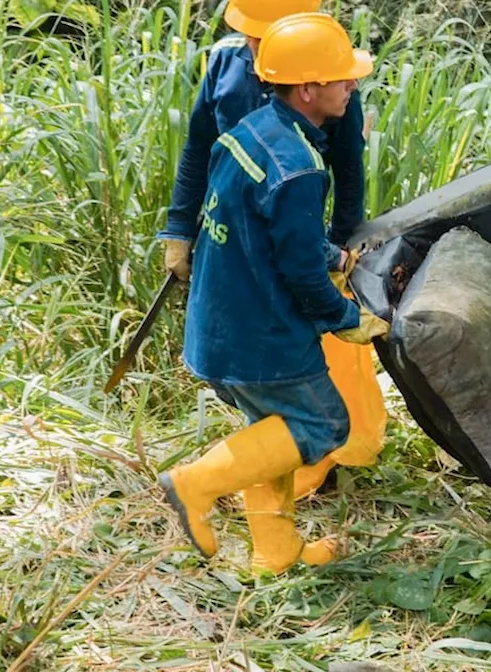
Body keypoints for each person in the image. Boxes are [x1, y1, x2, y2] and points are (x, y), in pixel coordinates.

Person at [157, 12, 388, 575]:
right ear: (308, 88)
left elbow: (261, 227)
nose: (352, 87)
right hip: (264, 333)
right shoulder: (298, 168)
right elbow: (303, 273)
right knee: (320, 425)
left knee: (270, 429)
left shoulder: (252, 132)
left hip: (222, 318)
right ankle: (194, 484)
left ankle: (275, 549)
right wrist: (344, 317)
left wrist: (331, 251)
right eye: (342, 79)